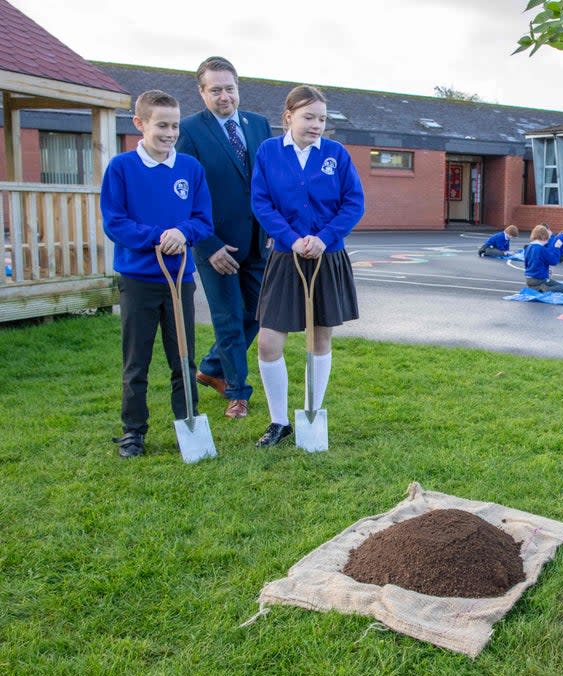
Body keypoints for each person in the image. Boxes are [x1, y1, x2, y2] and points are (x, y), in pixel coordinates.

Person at [100, 90, 214, 458]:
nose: (169, 133)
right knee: (137, 360)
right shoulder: (121, 168)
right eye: (161, 125)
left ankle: (189, 422)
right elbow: (116, 223)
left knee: (183, 356)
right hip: (138, 280)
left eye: (175, 126)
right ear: (140, 124)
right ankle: (133, 430)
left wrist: (184, 232)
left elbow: (203, 220)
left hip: (180, 278)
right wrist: (157, 237)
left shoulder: (190, 168)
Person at [250, 85, 365, 447]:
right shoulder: (269, 152)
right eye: (309, 117)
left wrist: (324, 237)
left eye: (322, 119)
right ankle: (278, 422)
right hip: (287, 256)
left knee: (320, 337)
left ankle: (312, 412)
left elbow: (353, 203)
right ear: (288, 117)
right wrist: (292, 238)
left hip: (326, 256)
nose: (317, 125)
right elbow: (261, 202)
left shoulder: (336, 153)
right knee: (268, 342)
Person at [177, 56, 273, 420]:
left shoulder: (259, 125)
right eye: (215, 90)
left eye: (229, 88)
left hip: (259, 242)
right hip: (215, 245)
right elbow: (182, 195)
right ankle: (237, 393)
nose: (224, 96)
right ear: (202, 92)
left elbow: (267, 183)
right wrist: (208, 244)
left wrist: (274, 230)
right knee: (229, 319)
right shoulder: (188, 130)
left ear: (238, 88)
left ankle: (212, 367)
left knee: (260, 312)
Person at [523, 224, 563, 293]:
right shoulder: (541, 249)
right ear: (544, 237)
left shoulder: (528, 247)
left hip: (529, 278)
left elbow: (526, 264)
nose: (548, 240)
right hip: (539, 279)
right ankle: (543, 289)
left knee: (546, 283)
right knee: (562, 287)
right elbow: (554, 261)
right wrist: (557, 248)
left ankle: (535, 287)